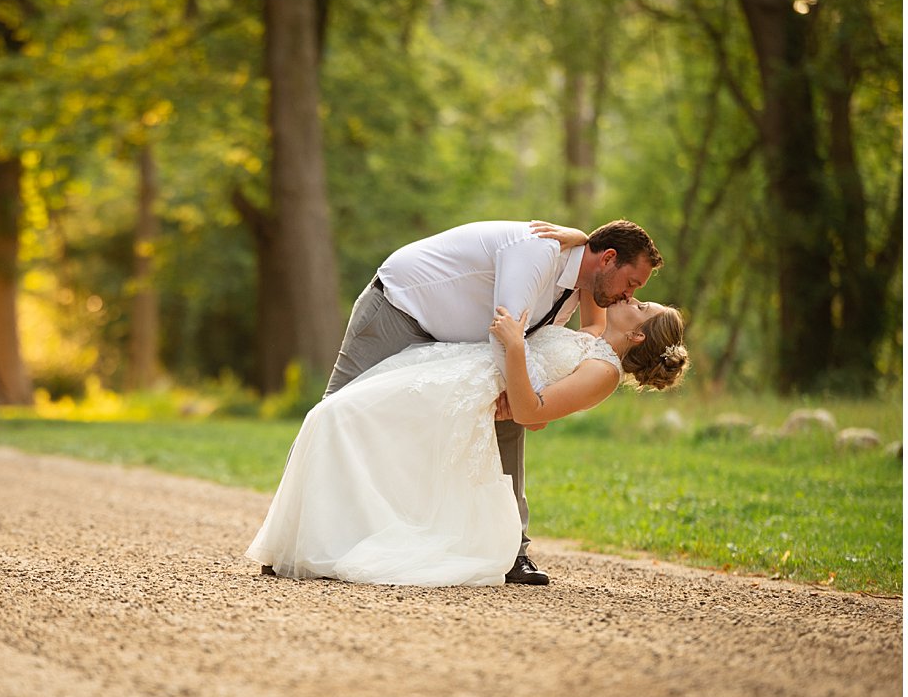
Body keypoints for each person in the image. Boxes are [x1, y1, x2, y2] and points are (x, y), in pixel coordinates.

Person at [246, 297, 688, 587]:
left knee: (338, 418)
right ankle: (315, 538)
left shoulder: (604, 373)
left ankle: (323, 544)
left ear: (638, 336)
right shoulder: (595, 337)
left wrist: (515, 347)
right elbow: (596, 289)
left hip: (460, 396)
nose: (632, 297)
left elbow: (533, 413)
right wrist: (575, 237)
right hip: (451, 369)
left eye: (643, 306)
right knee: (335, 416)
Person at [319, 219, 663, 585]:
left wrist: (530, 402)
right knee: (335, 410)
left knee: (508, 419)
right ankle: (305, 532)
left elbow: (591, 334)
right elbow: (505, 333)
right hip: (401, 308)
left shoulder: (590, 284)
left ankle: (512, 552)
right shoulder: (538, 253)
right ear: (608, 258)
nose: (629, 296)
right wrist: (533, 404)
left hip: (460, 344)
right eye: (631, 284)